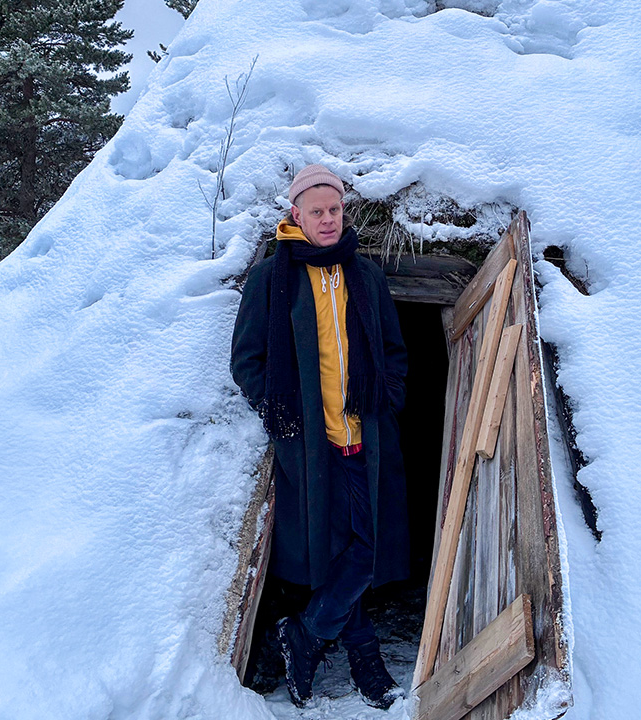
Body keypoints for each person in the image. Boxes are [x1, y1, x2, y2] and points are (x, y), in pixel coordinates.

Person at [230, 164, 409, 709]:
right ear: (296, 215)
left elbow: (394, 351)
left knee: (367, 548)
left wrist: (389, 398)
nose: (328, 219)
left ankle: (306, 633)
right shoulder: (272, 278)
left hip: (366, 438)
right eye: (317, 211)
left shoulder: (365, 275)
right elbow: (247, 360)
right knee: (332, 552)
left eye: (335, 210)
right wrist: (280, 411)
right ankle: (365, 660)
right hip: (310, 445)